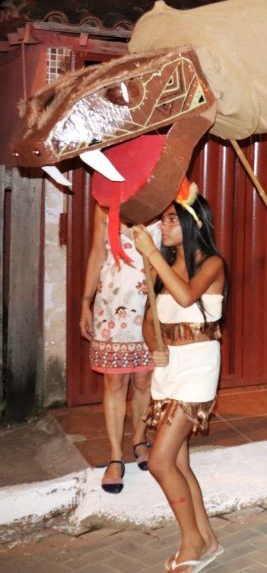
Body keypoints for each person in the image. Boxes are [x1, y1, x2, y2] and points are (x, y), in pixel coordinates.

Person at [132, 180, 226, 572]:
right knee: (179, 464)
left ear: (191, 223)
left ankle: (191, 542)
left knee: (159, 461)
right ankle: (208, 539)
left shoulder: (212, 264)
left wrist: (151, 254)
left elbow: (187, 297)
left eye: (170, 220)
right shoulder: (164, 268)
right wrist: (152, 341)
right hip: (169, 369)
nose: (162, 227)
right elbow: (149, 319)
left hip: (197, 369)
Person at [80, 205, 160, 493]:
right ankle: (115, 456)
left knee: (145, 378)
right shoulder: (104, 204)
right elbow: (97, 255)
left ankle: (140, 439)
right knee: (114, 380)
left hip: (149, 304)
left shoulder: (161, 202)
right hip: (112, 304)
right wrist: (85, 301)